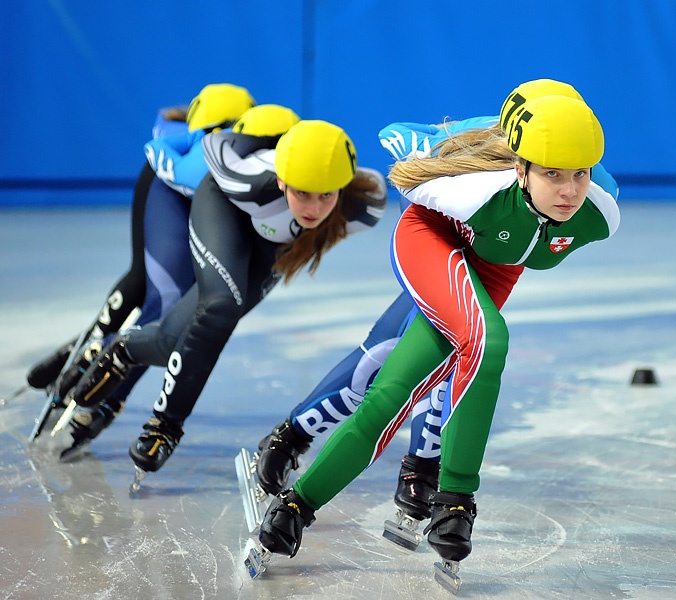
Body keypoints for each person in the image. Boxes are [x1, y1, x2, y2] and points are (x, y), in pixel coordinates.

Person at [255, 82, 620, 586]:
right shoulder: (470, 186)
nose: (569, 191)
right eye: (552, 174)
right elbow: (409, 147)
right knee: (487, 341)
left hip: (492, 263)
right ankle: (455, 500)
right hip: (431, 237)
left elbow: (525, 236)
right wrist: (416, 140)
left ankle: (297, 504)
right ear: (520, 167)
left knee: (394, 392)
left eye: (579, 174)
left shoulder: (599, 213)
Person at [67, 116, 388, 486]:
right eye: (302, 192)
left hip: (271, 245)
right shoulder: (244, 175)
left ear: (342, 187)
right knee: (220, 308)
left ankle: (123, 350)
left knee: (174, 340)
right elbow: (202, 148)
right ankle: (166, 425)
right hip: (224, 206)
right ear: (282, 179)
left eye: (326, 195)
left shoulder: (366, 202)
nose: (313, 208)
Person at [26, 83, 257, 449]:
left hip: (200, 194)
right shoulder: (199, 156)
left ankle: (88, 358)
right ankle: (100, 376)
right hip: (169, 188)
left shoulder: (252, 156)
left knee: (161, 298)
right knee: (160, 295)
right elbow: (164, 156)